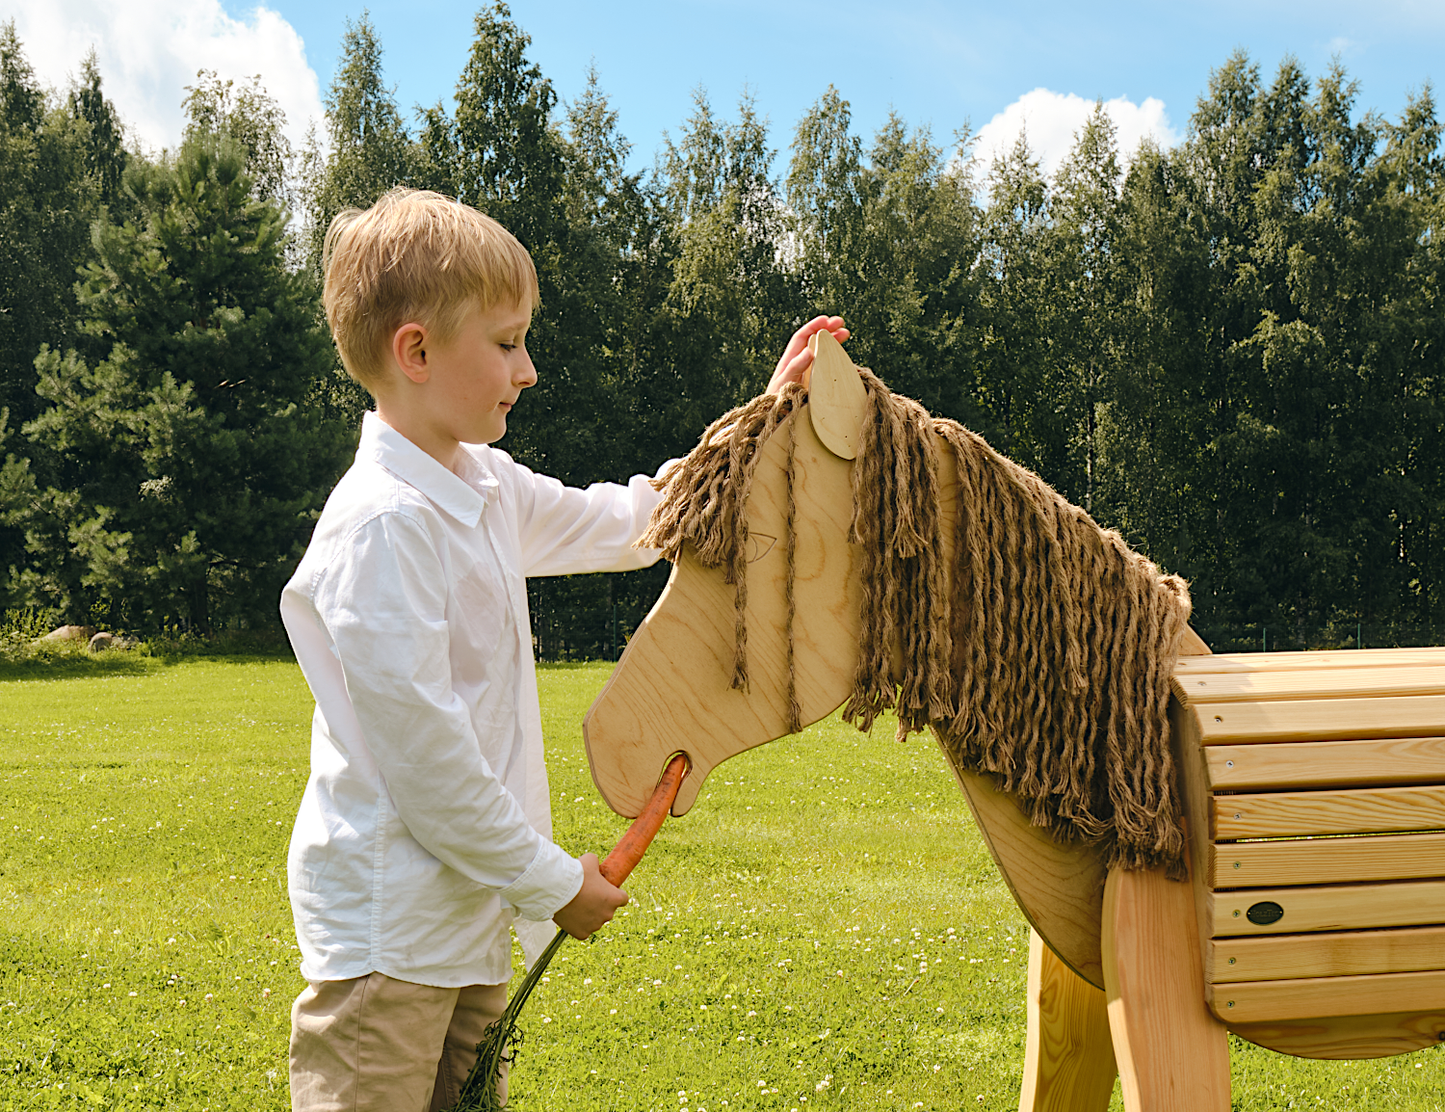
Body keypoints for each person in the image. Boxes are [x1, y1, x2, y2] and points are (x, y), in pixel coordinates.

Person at [280, 186, 847, 1112]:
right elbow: (428, 768)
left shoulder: (482, 487)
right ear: (415, 351)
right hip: (388, 946)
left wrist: (764, 421)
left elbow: (636, 518)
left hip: (463, 930)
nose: (529, 368)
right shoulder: (384, 528)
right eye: (505, 343)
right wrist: (552, 885)